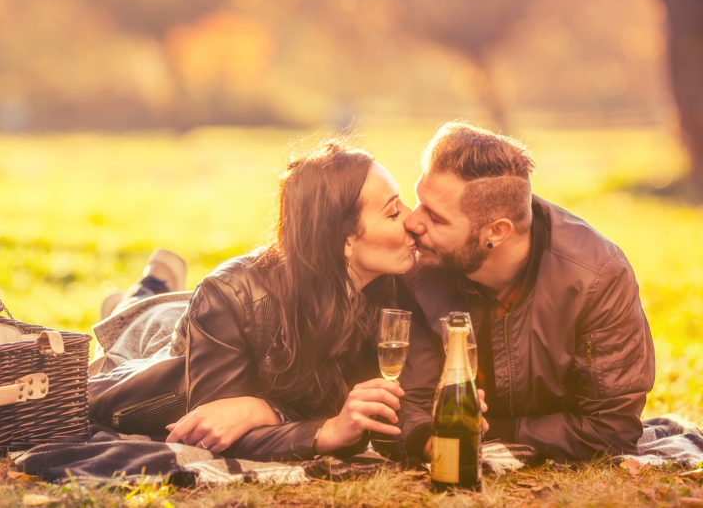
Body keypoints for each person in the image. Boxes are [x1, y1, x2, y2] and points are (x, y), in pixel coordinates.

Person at [91, 140, 419, 461]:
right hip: (170, 365)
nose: (413, 219)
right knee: (142, 323)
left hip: (200, 323)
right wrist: (323, 430)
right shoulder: (228, 297)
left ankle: (148, 294)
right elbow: (213, 431)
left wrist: (264, 410)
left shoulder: (388, 283)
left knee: (165, 312)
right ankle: (145, 290)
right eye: (393, 212)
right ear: (343, 242)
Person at [396, 122, 655, 462]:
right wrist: (428, 439)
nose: (413, 222)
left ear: (496, 232)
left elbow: (611, 430)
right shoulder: (418, 268)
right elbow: (407, 404)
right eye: (419, 202)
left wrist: (488, 429)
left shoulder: (597, 278)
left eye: (436, 217)